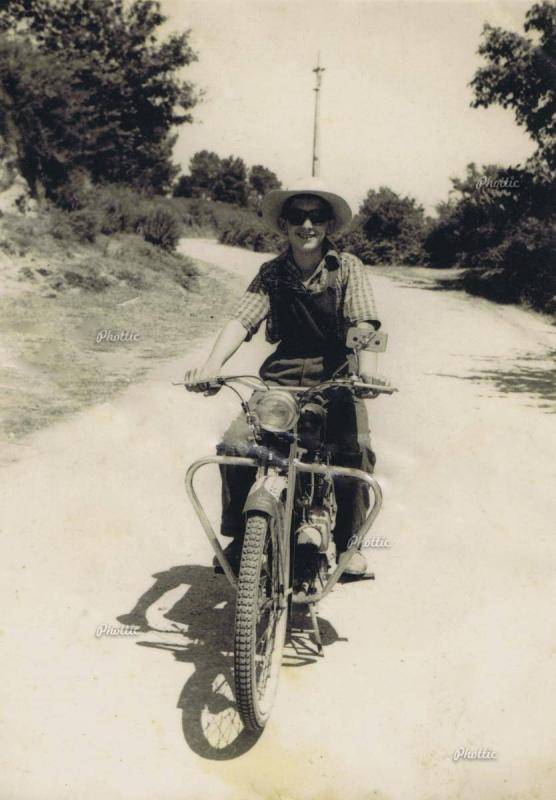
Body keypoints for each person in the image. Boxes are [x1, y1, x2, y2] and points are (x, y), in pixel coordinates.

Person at [184, 177, 382, 576]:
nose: (307, 225)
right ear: (284, 223)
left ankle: (349, 545)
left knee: (354, 451)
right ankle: (241, 537)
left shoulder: (347, 268)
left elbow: (363, 322)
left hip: (335, 377)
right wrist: (212, 366)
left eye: (316, 216)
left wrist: (369, 372)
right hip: (282, 379)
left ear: (328, 224)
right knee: (236, 444)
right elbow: (241, 321)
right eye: (297, 216)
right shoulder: (271, 273)